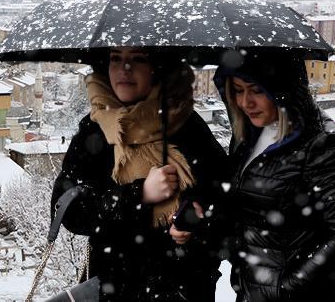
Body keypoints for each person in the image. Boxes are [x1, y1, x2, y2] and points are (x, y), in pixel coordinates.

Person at [51, 47, 227, 301]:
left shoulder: (187, 126)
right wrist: (139, 194)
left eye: (138, 58)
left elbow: (224, 199)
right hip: (117, 288)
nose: (125, 69)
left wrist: (195, 219)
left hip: (184, 289)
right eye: (115, 59)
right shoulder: (95, 131)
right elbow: (69, 210)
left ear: (158, 66)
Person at [212, 53, 335, 302]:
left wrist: (288, 287)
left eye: (256, 90)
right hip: (252, 292)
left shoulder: (323, 144)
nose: (245, 102)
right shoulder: (248, 137)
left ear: (282, 89)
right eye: (237, 90)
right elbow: (248, 209)